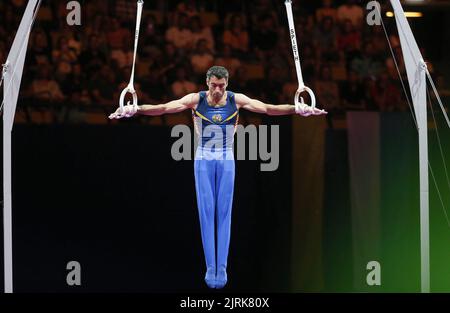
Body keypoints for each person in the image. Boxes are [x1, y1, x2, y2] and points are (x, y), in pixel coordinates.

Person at [109, 66, 326, 289]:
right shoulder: (196, 99)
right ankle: (210, 266)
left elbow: (268, 109)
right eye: (214, 85)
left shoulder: (236, 99)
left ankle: (221, 266)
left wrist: (296, 109)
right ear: (207, 83)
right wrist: (136, 109)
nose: (217, 90)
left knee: (224, 211)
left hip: (226, 157)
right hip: (203, 157)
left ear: (227, 84)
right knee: (207, 210)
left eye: (222, 86)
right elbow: (164, 108)